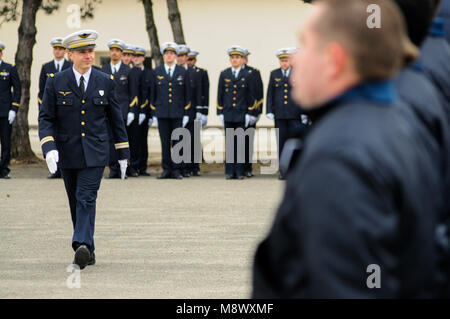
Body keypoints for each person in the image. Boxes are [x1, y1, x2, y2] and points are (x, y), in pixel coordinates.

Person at [253, 0, 443, 298]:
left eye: (304, 44)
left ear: (334, 60)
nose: (295, 61)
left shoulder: (339, 157)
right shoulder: (394, 121)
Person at [39, 30, 130, 269]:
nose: (89, 56)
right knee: (74, 202)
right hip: (67, 152)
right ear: (70, 55)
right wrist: (48, 147)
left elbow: (115, 120)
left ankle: (80, 243)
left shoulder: (104, 81)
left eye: (90, 51)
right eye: (82, 52)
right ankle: (88, 249)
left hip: (96, 152)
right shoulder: (55, 81)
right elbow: (46, 117)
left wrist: (122, 153)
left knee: (86, 197)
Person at [266, 48, 309, 180]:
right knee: (281, 143)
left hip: (295, 114)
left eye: (286, 60)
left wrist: (304, 111)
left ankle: (295, 170)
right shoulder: (274, 74)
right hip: (280, 115)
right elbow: (270, 94)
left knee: (294, 143)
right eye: (282, 61)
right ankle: (283, 170)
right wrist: (269, 110)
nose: (284, 63)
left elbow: (304, 93)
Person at [217, 46, 258, 180]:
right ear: (230, 59)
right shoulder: (225, 74)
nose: (234, 60)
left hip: (242, 114)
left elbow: (252, 96)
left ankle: (240, 171)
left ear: (242, 60)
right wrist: (220, 111)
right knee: (229, 144)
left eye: (237, 58)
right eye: (232, 58)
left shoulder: (248, 75)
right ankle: (230, 171)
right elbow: (220, 94)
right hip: (228, 113)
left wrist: (250, 113)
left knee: (240, 144)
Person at [151, 42, 191, 179]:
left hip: (178, 112)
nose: (169, 56)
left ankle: (176, 170)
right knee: (165, 142)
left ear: (175, 55)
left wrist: (186, 113)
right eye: (166, 53)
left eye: (171, 53)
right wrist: (154, 113)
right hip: (162, 112)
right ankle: (166, 169)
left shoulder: (182, 71)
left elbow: (187, 94)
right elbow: (153, 93)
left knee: (178, 142)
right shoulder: (157, 71)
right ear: (163, 56)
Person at [101, 39, 139, 178]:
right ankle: (114, 169)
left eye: (117, 51)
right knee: (111, 141)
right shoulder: (104, 69)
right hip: (107, 111)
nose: (114, 53)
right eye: (112, 50)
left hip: (123, 111)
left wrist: (132, 112)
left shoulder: (128, 70)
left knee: (124, 141)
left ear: (122, 54)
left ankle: (126, 168)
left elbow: (133, 93)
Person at [38, 37, 72, 179]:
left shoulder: (70, 67)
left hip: (66, 110)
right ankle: (55, 170)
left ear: (65, 51)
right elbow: (41, 91)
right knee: (54, 139)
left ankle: (65, 167)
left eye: (60, 49)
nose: (58, 51)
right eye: (55, 49)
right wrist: (43, 108)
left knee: (66, 141)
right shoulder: (47, 67)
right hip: (52, 109)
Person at [0, 41, 21, 179]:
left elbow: (18, 90)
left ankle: (3, 169)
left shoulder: (9, 68)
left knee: (6, 142)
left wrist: (14, 108)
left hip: (4, 112)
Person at [242, 49, 263, 178]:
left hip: (250, 111)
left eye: (243, 57)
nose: (242, 59)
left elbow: (258, 93)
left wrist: (256, 112)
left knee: (247, 142)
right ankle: (238, 167)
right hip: (238, 113)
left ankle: (247, 167)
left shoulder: (253, 72)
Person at [187, 50, 209, 176]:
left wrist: (204, 111)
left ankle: (195, 167)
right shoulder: (182, 72)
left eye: (191, 60)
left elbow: (204, 93)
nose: (189, 62)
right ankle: (185, 165)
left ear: (195, 60)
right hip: (184, 111)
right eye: (188, 59)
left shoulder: (201, 73)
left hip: (197, 110)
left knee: (195, 140)